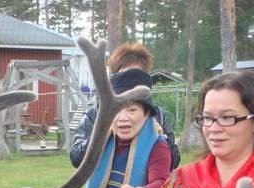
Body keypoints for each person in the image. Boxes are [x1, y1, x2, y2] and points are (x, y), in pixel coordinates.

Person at [71, 42, 180, 170]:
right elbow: (76, 158)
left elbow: (174, 161)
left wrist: (162, 138)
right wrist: (101, 132)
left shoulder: (157, 115)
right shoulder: (94, 115)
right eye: (123, 75)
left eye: (137, 75)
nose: (130, 81)